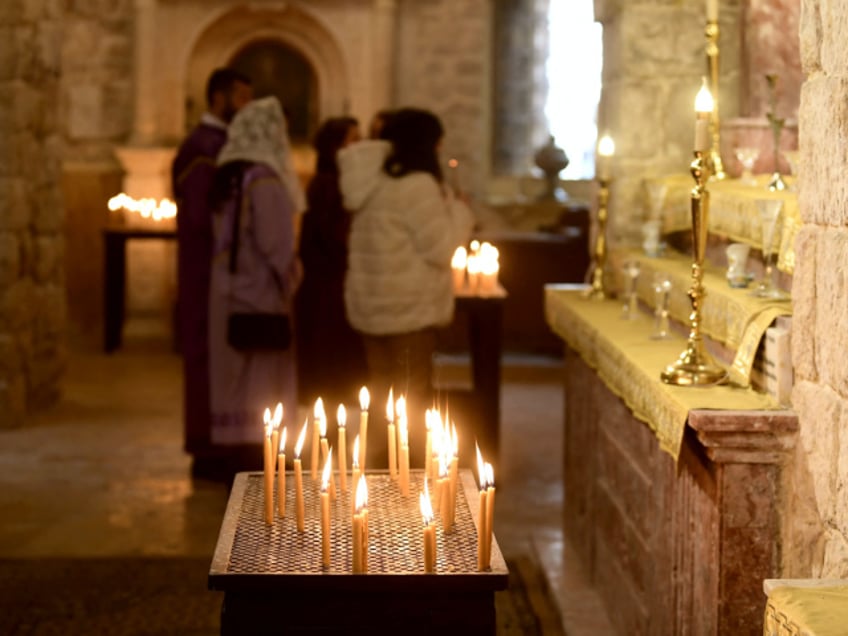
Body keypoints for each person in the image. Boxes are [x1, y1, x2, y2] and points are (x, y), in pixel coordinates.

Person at [338, 108, 474, 466]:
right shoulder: (417, 186)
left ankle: (377, 478)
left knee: (383, 395)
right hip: (408, 314)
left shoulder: (374, 183)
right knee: (408, 405)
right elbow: (442, 249)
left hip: (372, 310)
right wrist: (461, 213)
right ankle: (401, 487)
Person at [207, 96, 303, 464]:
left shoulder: (228, 175)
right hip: (260, 293)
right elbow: (276, 242)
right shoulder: (264, 180)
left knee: (234, 378)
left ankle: (235, 449)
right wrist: (291, 273)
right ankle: (258, 454)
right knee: (261, 382)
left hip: (227, 291)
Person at [171, 68, 252, 477]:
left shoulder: (219, 143)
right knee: (205, 350)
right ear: (219, 98)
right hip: (205, 266)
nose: (246, 108)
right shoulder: (205, 147)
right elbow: (205, 218)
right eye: (240, 98)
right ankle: (207, 448)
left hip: (217, 267)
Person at [295, 117, 367, 406]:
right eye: (353, 139)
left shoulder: (339, 182)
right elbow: (334, 237)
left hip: (335, 284)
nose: (359, 146)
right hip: (328, 288)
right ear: (335, 146)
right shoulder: (328, 184)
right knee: (331, 372)